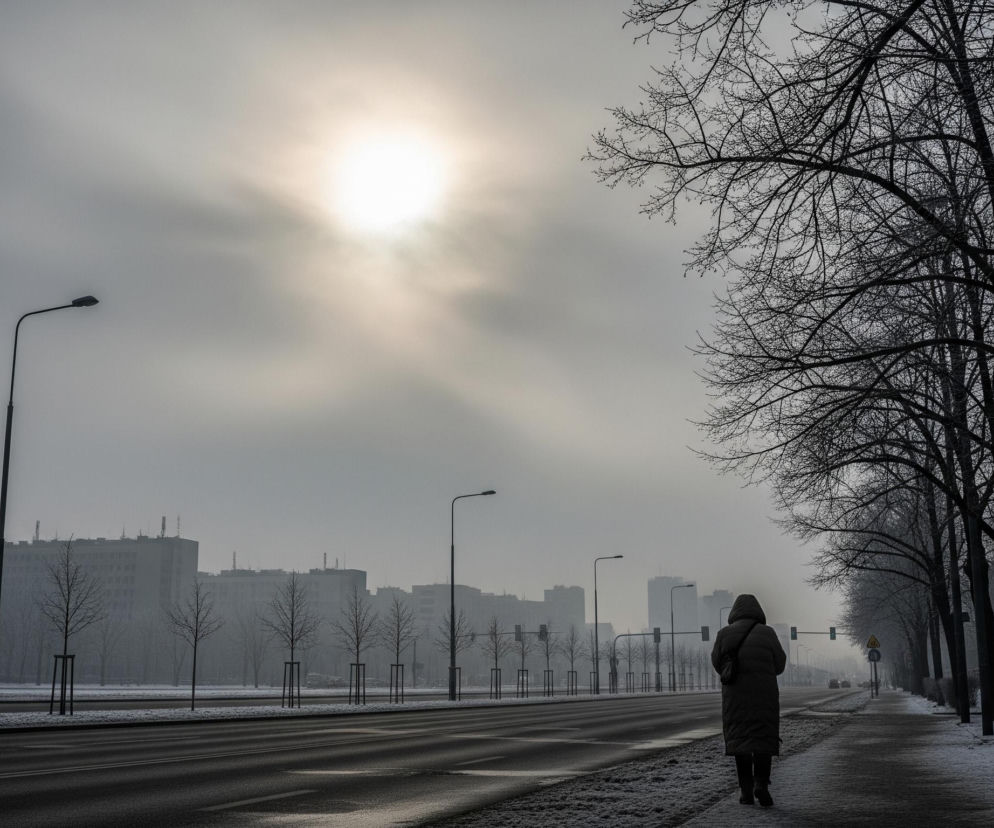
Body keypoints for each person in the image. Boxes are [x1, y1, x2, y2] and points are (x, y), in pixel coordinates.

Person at [710, 593, 787, 807]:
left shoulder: (723, 634)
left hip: (735, 698)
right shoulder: (768, 633)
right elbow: (780, 665)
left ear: (734, 613)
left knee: (741, 742)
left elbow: (717, 664)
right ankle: (761, 784)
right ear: (758, 612)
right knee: (762, 739)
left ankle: (745, 792)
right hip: (765, 696)